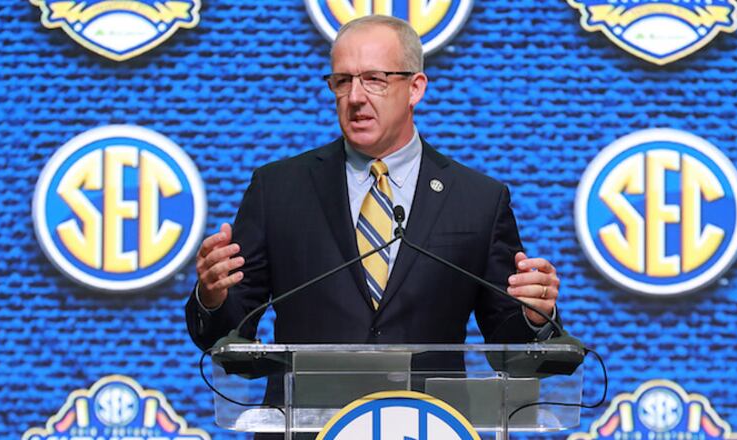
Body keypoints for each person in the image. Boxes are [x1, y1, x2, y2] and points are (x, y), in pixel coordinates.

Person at [186, 12, 559, 398]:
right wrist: (213, 298)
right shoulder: (278, 189)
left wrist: (534, 317)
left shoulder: (478, 200)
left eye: (374, 80)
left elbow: (512, 353)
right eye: (342, 81)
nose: (355, 97)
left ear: (415, 88)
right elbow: (228, 340)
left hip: (430, 426)